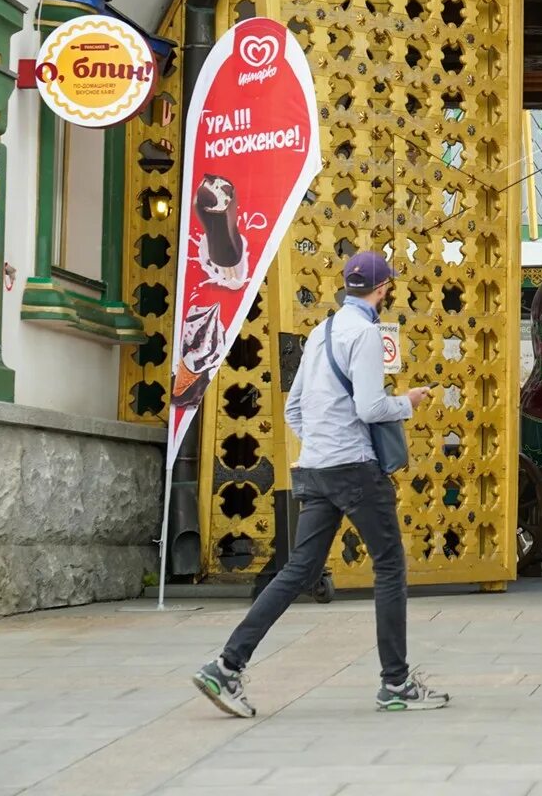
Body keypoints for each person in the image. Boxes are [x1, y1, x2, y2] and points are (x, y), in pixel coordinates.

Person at [192, 251, 448, 718]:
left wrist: (324, 445)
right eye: (388, 286)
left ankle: (226, 665)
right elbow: (372, 408)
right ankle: (396, 683)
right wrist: (407, 402)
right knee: (390, 566)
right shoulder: (367, 333)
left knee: (298, 572)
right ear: (384, 288)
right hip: (355, 468)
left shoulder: (321, 332)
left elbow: (294, 411)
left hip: (316, 467)